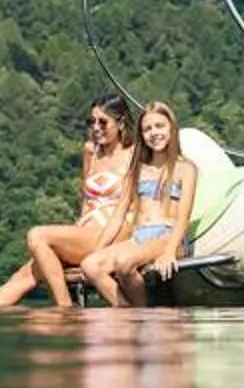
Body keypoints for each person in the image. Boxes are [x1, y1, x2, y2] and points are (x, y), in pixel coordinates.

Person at [0, 96, 135, 308]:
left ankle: (65, 309)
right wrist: (78, 229)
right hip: (86, 233)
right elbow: (87, 200)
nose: (96, 128)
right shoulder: (91, 151)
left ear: (121, 123)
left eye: (103, 122)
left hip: (116, 233)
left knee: (37, 236)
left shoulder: (134, 154)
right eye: (92, 122)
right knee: (22, 277)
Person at [81, 99, 200, 306]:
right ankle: (128, 311)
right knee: (90, 265)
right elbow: (118, 216)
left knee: (124, 262)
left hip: (169, 236)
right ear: (141, 136)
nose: (154, 133)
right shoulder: (137, 170)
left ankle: (143, 315)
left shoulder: (185, 169)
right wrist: (99, 248)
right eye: (147, 129)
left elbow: (183, 218)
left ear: (171, 128)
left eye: (159, 126)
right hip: (140, 237)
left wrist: (170, 251)